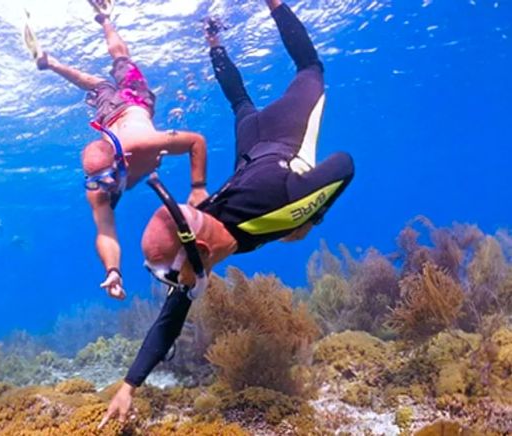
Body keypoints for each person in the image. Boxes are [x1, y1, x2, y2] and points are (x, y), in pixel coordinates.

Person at [99, 0, 355, 427]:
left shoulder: (279, 214)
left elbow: (344, 163)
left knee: (311, 68)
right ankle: (213, 40)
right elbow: (170, 320)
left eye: (169, 275)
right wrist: (128, 387)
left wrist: (311, 216)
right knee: (240, 103)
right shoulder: (195, 245)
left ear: (197, 248)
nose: (173, 286)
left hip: (284, 140)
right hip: (252, 147)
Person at [25, 0, 209, 300]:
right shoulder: (98, 189)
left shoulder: (141, 145)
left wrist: (198, 188)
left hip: (134, 101)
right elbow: (105, 232)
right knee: (97, 87)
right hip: (107, 116)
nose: (104, 186)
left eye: (107, 177)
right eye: (94, 180)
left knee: (121, 59)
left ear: (121, 159)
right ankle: (51, 62)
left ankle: (104, 18)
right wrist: (113, 271)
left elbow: (195, 141)